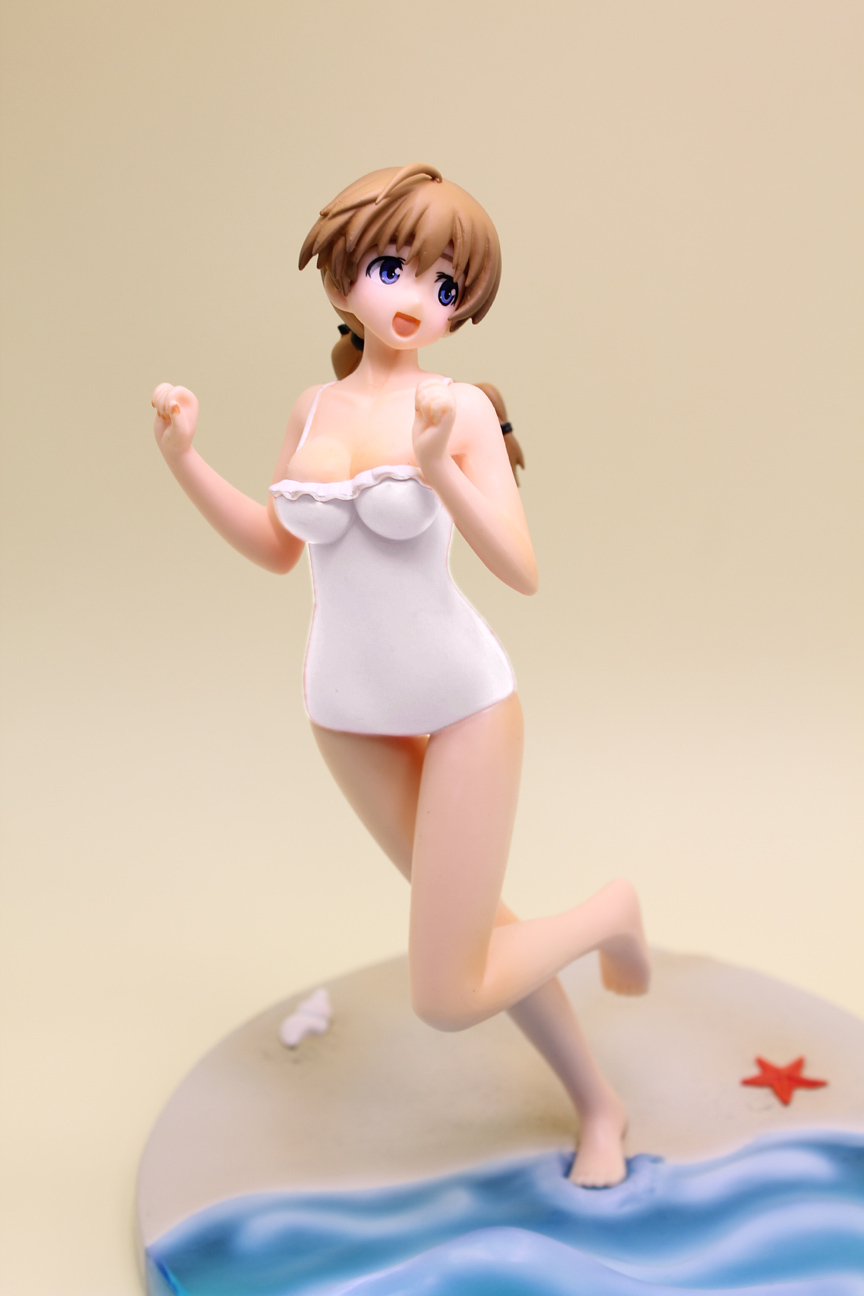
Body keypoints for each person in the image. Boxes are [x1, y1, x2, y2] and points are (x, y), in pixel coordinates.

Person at [151, 163, 650, 1186]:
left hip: (463, 705)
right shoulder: (313, 407)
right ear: (342, 275)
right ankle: (601, 1104)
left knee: (447, 991)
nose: (417, 298)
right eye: (392, 267)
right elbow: (277, 547)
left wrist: (436, 473)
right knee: (479, 937)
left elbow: (521, 569)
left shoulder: (456, 408)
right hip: (346, 715)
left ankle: (609, 911)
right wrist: (186, 460)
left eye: (446, 284)